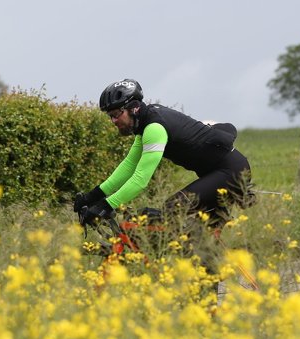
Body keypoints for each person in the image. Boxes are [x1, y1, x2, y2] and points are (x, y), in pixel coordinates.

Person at [74, 78, 255, 227]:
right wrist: (92, 196)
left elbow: (140, 179)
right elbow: (129, 166)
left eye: (116, 114)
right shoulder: (146, 124)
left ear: (133, 108)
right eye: (109, 116)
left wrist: (106, 205)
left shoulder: (154, 128)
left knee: (171, 210)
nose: (113, 120)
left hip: (231, 173)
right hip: (218, 173)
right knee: (190, 230)